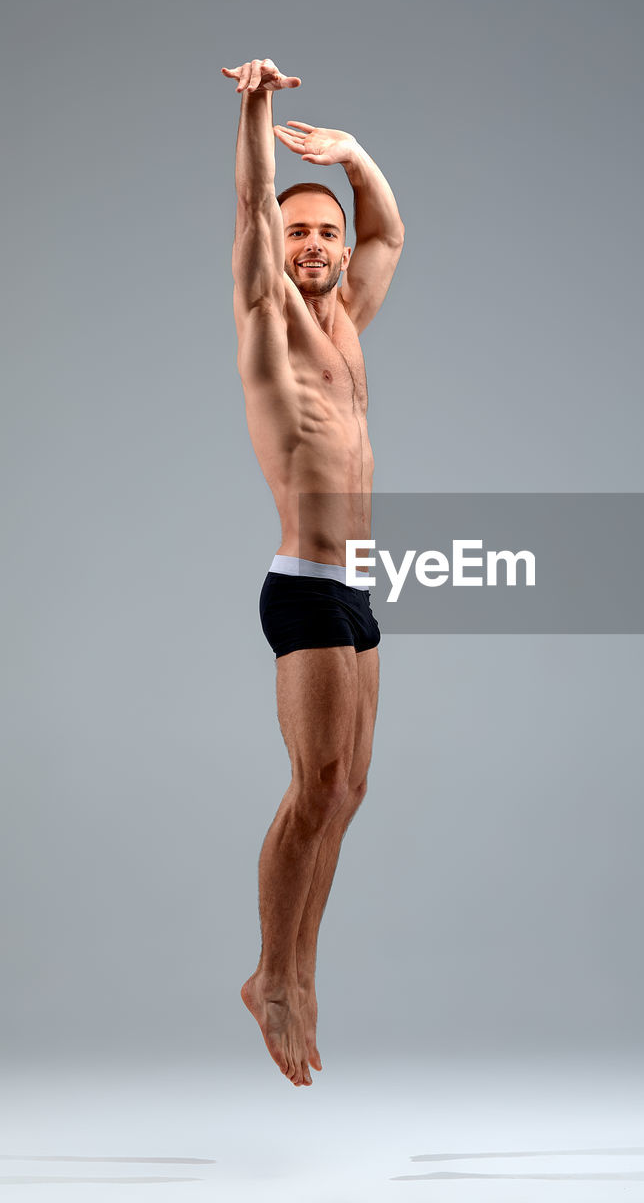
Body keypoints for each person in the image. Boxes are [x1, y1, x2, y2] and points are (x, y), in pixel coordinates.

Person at [220, 57, 404, 1086]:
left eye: (324, 231)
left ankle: (297, 968)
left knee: (351, 789)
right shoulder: (272, 328)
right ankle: (273, 975)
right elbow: (250, 205)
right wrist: (259, 110)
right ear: (278, 251)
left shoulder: (348, 326)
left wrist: (354, 158)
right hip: (304, 581)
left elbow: (389, 231)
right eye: (301, 233)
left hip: (360, 588)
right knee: (314, 785)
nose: (318, 244)